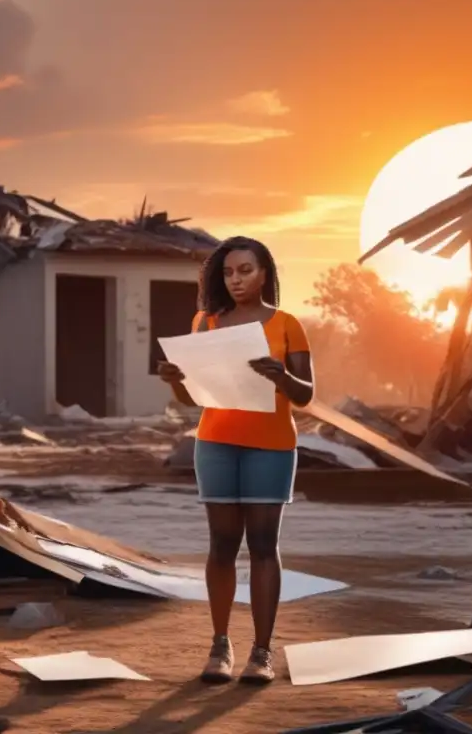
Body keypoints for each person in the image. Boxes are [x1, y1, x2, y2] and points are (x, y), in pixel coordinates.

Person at [156, 235, 314, 685]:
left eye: (245, 270)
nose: (236, 279)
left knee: (263, 545)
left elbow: (305, 396)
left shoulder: (287, 325)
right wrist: (173, 380)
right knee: (222, 545)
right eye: (228, 272)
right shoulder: (205, 322)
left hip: (271, 443)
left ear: (265, 273)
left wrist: (282, 376)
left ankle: (261, 653)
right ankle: (220, 645)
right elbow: (192, 398)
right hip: (217, 442)